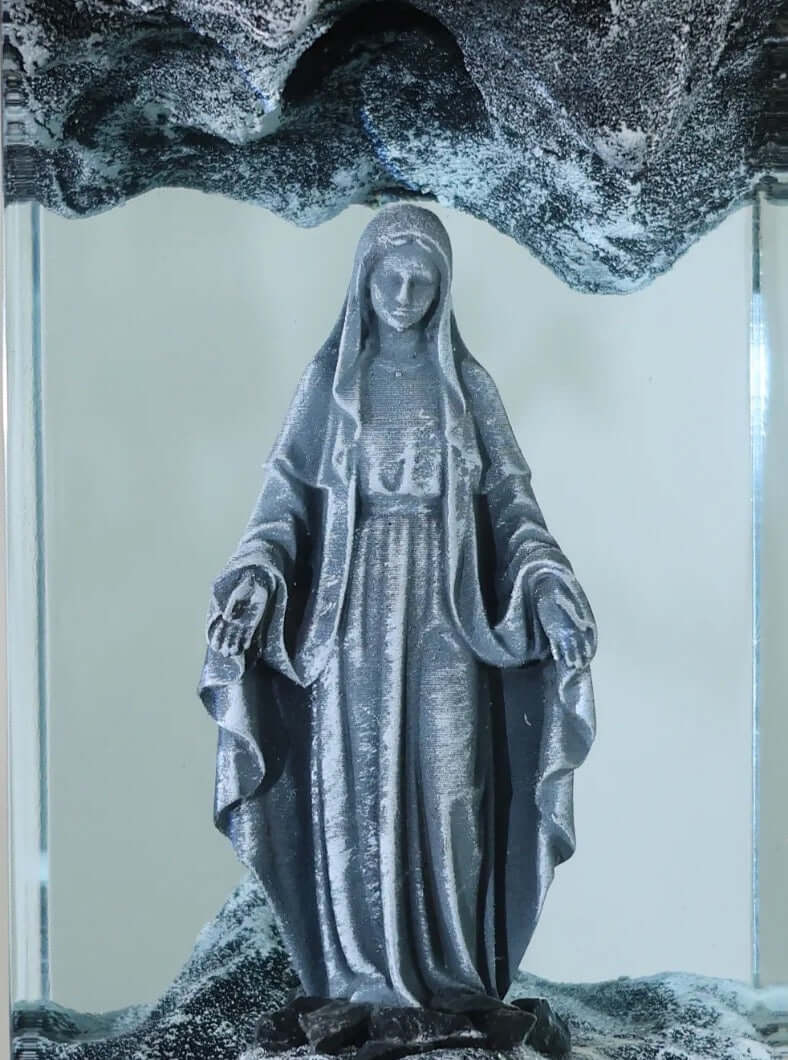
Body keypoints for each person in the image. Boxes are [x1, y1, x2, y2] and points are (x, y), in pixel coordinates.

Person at [199, 204, 596, 1009]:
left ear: (444, 290)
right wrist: (255, 579)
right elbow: (282, 506)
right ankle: (361, 979)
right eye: (392, 275)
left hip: (447, 615)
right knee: (356, 793)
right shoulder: (331, 386)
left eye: (423, 279)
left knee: (453, 790)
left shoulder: (467, 389)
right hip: (351, 615)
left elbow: (513, 508)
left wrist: (548, 584)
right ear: (365, 278)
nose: (406, 294)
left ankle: (455, 976)